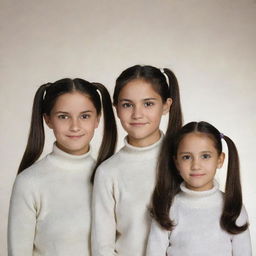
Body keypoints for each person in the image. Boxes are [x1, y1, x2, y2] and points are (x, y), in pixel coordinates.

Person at [8, 78, 117, 256]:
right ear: (48, 120)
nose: (75, 126)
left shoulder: (110, 175)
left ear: (97, 119)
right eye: (63, 116)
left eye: (85, 116)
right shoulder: (29, 183)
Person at [91, 65, 183, 256]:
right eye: (127, 104)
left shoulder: (186, 160)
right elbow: (102, 246)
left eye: (148, 104)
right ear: (116, 108)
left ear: (166, 105)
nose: (137, 114)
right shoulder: (108, 172)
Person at [147, 121, 252, 256]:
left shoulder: (233, 208)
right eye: (187, 157)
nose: (196, 165)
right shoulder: (167, 207)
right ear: (177, 163)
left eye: (205, 156)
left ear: (220, 160)